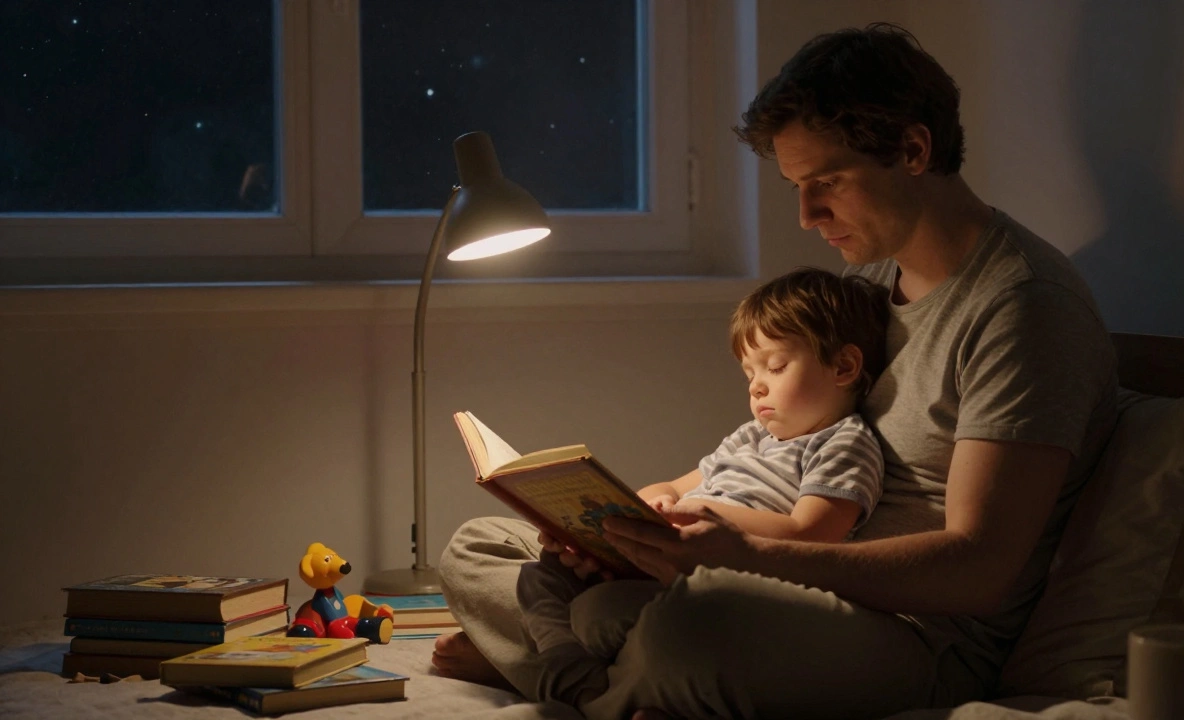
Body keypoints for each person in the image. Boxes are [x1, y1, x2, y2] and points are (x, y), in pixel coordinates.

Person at [434, 22, 1118, 720]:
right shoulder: (874, 282)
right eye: (796, 185)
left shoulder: (1024, 308)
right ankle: (618, 677)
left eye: (826, 184)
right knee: (478, 546)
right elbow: (773, 459)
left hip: (914, 637)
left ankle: (564, 665)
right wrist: (632, 527)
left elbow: (978, 569)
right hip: (791, 590)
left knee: (692, 625)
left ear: (914, 149)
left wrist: (747, 557)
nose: (805, 215)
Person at [513, 268, 889, 707]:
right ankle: (567, 662)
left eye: (776, 366)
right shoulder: (750, 436)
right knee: (536, 573)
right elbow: (675, 485)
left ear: (843, 366)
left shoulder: (845, 442)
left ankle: (561, 673)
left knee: (598, 612)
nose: (756, 385)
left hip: (711, 578)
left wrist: (712, 521)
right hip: (662, 555)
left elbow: (813, 534)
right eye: (749, 372)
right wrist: (623, 513)